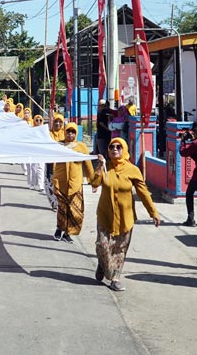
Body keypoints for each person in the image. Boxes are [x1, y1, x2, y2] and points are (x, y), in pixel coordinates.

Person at [92, 138, 160, 292]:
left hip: (125, 216)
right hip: (105, 214)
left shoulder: (132, 170)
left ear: (124, 149)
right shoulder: (105, 167)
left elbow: (143, 192)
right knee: (102, 245)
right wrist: (100, 167)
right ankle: (103, 263)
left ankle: (115, 278)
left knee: (120, 249)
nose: (115, 149)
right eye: (111, 147)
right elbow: (94, 183)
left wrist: (153, 212)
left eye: (118, 147)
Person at [52, 122, 95, 243]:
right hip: (60, 182)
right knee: (62, 208)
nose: (70, 134)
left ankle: (68, 233)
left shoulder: (81, 147)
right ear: (64, 132)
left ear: (76, 133)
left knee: (75, 210)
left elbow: (88, 165)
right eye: (68, 131)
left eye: (73, 132)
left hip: (76, 184)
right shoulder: (58, 145)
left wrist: (93, 182)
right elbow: (50, 160)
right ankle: (59, 229)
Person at [26, 115, 46, 192]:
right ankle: (32, 184)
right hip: (33, 150)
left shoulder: (44, 130)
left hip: (42, 151)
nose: (38, 122)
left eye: (40, 120)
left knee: (41, 168)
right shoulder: (32, 130)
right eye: (37, 120)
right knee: (33, 168)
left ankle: (41, 185)